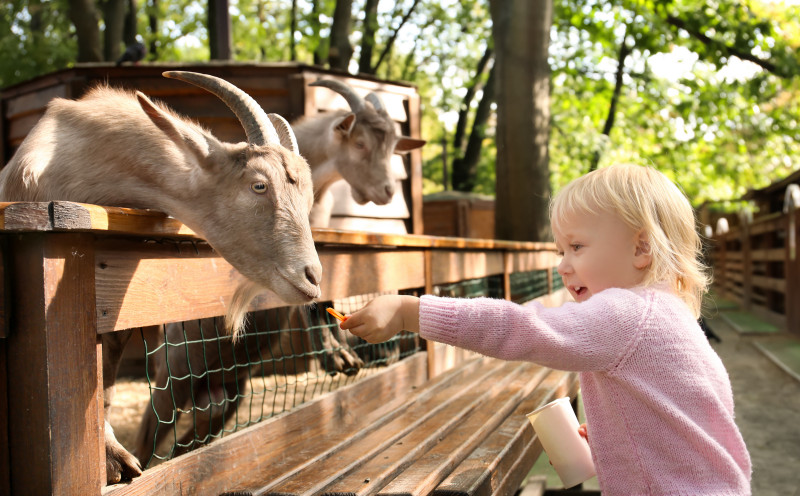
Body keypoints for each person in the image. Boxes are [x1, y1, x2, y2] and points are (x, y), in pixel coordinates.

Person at [340, 163, 751, 495]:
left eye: (577, 247)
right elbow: (690, 421)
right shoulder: (670, 313)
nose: (563, 264)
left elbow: (522, 327)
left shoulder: (628, 313)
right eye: (560, 251)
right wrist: (615, 444)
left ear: (641, 249)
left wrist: (413, 311)